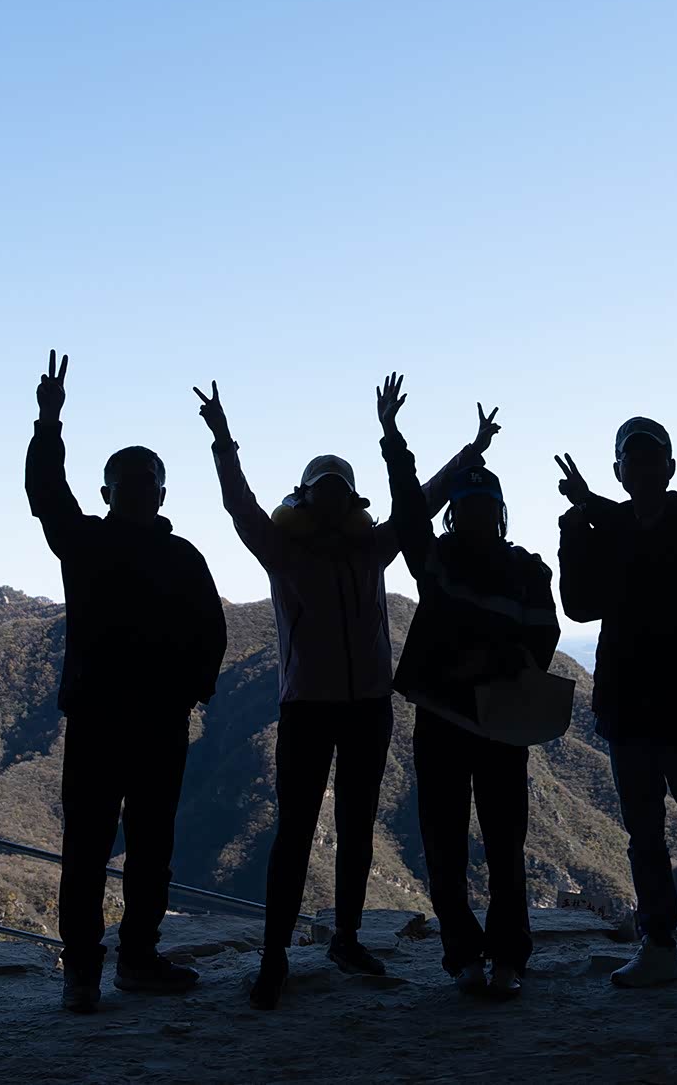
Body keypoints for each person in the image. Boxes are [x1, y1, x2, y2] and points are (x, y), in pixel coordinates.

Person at [196, 376, 487, 1010]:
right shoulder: (283, 551)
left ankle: (345, 941)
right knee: (295, 833)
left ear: (349, 500)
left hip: (366, 708)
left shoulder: (371, 549)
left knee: (356, 828)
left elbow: (422, 502)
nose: (330, 503)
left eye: (337, 492)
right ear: (306, 499)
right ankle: (274, 957)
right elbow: (240, 505)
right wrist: (223, 440)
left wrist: (466, 451)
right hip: (309, 709)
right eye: (322, 492)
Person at [25, 351, 230, 1014]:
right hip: (134, 723)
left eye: (145, 483)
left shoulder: (99, 545)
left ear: (155, 493)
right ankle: (115, 964)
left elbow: (213, 634)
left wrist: (193, 691)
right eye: (133, 483)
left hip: (124, 721)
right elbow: (47, 492)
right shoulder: (150, 552)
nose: (140, 492)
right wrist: (48, 422)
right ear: (114, 493)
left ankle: (100, 970)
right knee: (125, 848)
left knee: (117, 850)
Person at [556, 419, 677, 1005]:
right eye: (631, 460)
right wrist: (574, 536)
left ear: (669, 466)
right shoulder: (611, 529)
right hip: (630, 708)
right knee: (646, 836)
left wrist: (589, 509)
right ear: (620, 471)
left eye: (649, 458)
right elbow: (579, 605)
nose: (640, 468)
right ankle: (661, 946)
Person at [385, 388, 559, 999]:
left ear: (498, 513)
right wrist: (395, 444)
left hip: (495, 720)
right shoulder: (438, 560)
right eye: (468, 507)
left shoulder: (524, 571)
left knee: (500, 844)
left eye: (484, 507)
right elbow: (409, 510)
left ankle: (501, 957)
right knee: (448, 845)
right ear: (456, 515)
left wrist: (495, 661)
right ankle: (469, 956)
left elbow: (544, 635)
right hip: (456, 720)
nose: (476, 516)